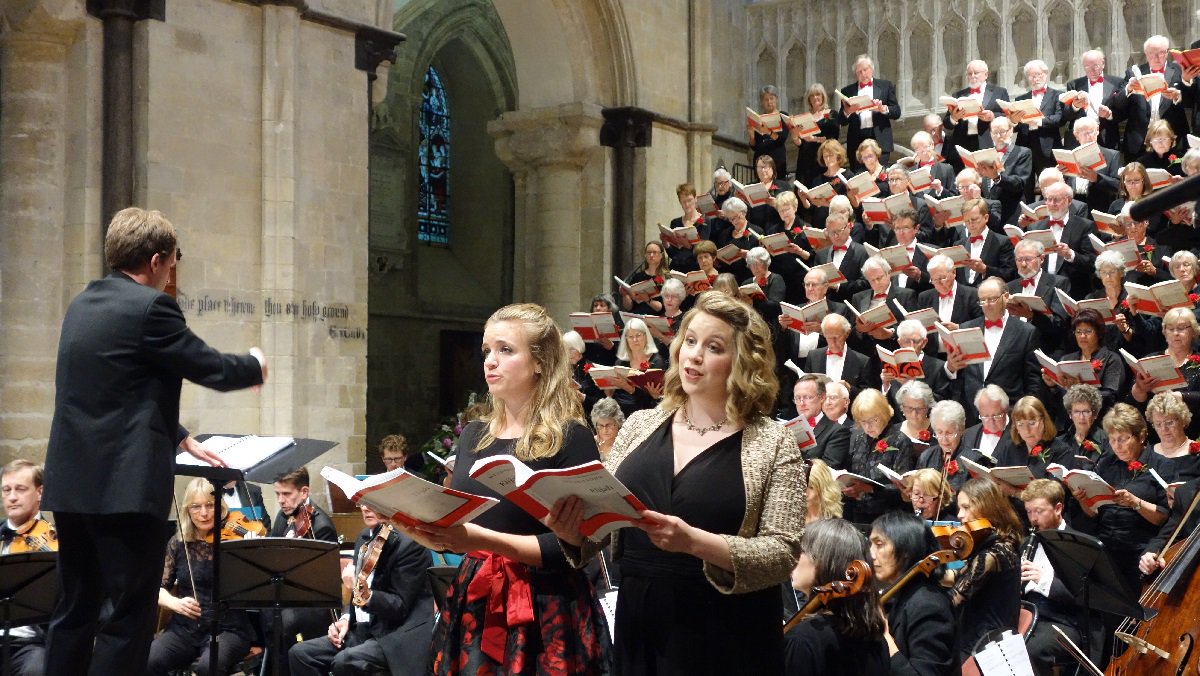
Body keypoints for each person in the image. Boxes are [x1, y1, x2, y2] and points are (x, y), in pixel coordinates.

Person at [41, 207, 267, 676]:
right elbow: (208, 366)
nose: (171, 272)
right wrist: (254, 366)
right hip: (124, 490)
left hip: (74, 485)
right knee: (130, 616)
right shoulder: (152, 307)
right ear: (158, 258)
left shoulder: (82, 304)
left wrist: (179, 437)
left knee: (75, 610)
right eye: (173, 260)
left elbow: (107, 390)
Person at [552, 291, 805, 674]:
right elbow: (603, 523)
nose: (694, 354)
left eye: (713, 346)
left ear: (741, 361)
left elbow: (783, 553)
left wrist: (694, 543)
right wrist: (572, 532)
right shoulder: (639, 425)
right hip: (641, 615)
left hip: (726, 627)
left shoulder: (773, 441)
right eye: (689, 341)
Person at [405, 303, 610, 674]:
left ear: (540, 362)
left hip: (545, 605)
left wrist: (479, 541)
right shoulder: (473, 436)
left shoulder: (570, 437)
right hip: (476, 597)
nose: (490, 362)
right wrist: (420, 529)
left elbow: (573, 547)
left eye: (505, 350)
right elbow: (458, 525)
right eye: (487, 351)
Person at [289, 503, 433, 676]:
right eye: (362, 503)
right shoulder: (364, 537)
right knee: (301, 654)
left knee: (347, 661)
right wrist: (346, 618)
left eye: (372, 503)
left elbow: (400, 606)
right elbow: (356, 594)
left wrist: (368, 596)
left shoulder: (411, 544)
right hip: (364, 629)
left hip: (396, 635)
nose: (365, 508)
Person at [146, 478, 258, 676]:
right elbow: (157, 588)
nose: (204, 513)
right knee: (150, 660)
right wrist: (173, 603)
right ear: (187, 510)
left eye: (210, 505)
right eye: (196, 507)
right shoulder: (178, 543)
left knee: (208, 667)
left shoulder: (234, 541)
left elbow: (255, 585)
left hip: (228, 628)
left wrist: (252, 551)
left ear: (220, 507)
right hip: (185, 628)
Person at [1075, 404, 1170, 590]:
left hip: (1139, 550)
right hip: (1105, 546)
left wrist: (1135, 503)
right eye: (1112, 439)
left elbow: (1164, 518)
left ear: (1141, 436)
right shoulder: (1107, 463)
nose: (1117, 446)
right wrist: (1082, 499)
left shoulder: (1161, 466)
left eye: (1123, 439)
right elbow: (1093, 514)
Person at [783, 518, 889, 674]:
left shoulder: (804, 639)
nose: (793, 559)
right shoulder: (876, 638)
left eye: (800, 551)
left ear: (821, 562)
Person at [1019, 479, 1095, 675]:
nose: (1033, 518)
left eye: (1038, 511)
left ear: (1058, 508)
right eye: (1028, 512)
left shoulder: (1079, 545)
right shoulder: (1028, 541)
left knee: (1028, 650)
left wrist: (1043, 580)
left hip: (1064, 621)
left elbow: (1083, 596)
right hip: (1028, 613)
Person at [870, 512, 957, 676]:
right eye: (871, 544)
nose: (871, 554)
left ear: (906, 551)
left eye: (879, 544)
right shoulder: (902, 594)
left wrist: (885, 637)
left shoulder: (929, 606)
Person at [266, 466, 341, 650]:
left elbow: (320, 579)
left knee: (283, 622)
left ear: (304, 492)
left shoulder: (321, 525)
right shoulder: (284, 515)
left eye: (286, 494)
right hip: (285, 593)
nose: (281, 501)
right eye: (277, 494)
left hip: (311, 602)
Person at [951, 478, 1022, 661]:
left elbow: (954, 600)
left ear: (986, 507)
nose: (959, 515)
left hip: (983, 645)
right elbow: (962, 575)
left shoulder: (991, 554)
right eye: (960, 508)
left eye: (966, 507)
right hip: (987, 633)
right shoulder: (1001, 542)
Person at [2, 459, 54, 676]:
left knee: (38, 670)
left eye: (20, 489)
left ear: (40, 492)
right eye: (6, 490)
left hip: (30, 642)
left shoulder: (56, 540)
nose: (12, 497)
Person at [843, 389, 914, 524]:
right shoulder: (859, 439)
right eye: (863, 421)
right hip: (858, 512)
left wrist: (869, 489)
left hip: (888, 517)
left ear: (883, 415)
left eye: (873, 420)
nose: (868, 426)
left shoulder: (900, 441)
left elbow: (905, 490)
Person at [838, 54, 901, 168]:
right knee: (860, 178)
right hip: (857, 140)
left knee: (880, 176)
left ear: (871, 69)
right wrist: (848, 111)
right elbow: (842, 121)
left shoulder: (885, 86)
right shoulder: (847, 91)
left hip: (880, 138)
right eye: (859, 72)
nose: (863, 74)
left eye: (865, 70)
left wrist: (883, 109)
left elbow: (897, 112)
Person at [918, 400, 974, 496]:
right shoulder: (926, 456)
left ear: (961, 430)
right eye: (939, 432)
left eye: (949, 433)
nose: (944, 439)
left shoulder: (973, 461)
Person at [792, 83, 840, 187]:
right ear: (808, 99)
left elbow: (834, 138)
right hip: (805, 158)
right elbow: (800, 143)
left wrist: (814, 139)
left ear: (823, 96)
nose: (815, 97)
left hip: (823, 157)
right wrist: (795, 135)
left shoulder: (832, 114)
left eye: (818, 94)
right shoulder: (803, 117)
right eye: (812, 96)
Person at [1145, 392, 1200, 481]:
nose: (1164, 429)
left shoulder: (1197, 455)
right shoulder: (1147, 454)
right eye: (1158, 424)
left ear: (1183, 419)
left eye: (1169, 422)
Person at [748, 84, 791, 178]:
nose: (769, 102)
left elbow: (781, 139)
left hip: (777, 161)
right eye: (766, 99)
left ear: (776, 99)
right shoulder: (759, 119)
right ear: (762, 102)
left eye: (771, 98)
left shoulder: (782, 116)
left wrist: (768, 132)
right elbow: (755, 146)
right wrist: (751, 135)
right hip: (760, 161)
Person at [619, 241, 669, 315]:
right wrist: (625, 295)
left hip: (656, 319)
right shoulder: (638, 277)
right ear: (645, 255)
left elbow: (663, 308)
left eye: (655, 252)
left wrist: (647, 299)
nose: (651, 255)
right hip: (637, 317)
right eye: (649, 252)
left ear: (661, 255)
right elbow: (629, 307)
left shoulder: (667, 278)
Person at [590, 396, 624, 461]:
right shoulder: (592, 443)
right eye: (601, 425)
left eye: (609, 425)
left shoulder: (624, 443)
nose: (605, 430)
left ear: (618, 422)